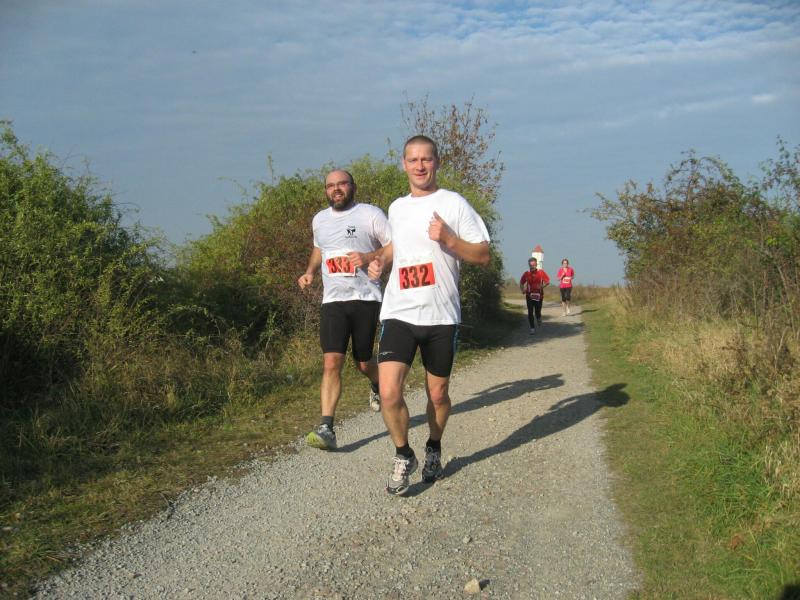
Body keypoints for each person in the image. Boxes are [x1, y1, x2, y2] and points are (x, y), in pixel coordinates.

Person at [368, 135, 491, 496]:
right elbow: (398, 246)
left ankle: (434, 446)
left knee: (437, 395)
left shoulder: (453, 203)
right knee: (388, 392)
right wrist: (380, 260)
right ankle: (403, 454)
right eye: (413, 159)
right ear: (403, 164)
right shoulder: (396, 208)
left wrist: (450, 240)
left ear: (437, 162)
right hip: (399, 311)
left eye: (426, 159)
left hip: (440, 315)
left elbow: (483, 255)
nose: (420, 166)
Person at [298, 169, 390, 451]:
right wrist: (310, 272)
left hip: (365, 298)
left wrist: (369, 257)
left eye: (342, 184)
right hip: (333, 301)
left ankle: (377, 383)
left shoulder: (370, 214)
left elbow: (392, 246)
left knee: (363, 362)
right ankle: (327, 427)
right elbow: (319, 249)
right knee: (331, 362)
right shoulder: (319, 219)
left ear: (353, 186)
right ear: (326, 190)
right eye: (330, 186)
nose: (336, 189)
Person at [519, 257, 550, 334]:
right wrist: (522, 290)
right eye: (531, 265)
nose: (532, 267)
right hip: (529, 295)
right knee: (530, 312)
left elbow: (547, 282)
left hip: (539, 295)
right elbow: (521, 282)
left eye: (534, 265)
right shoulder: (526, 274)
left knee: (537, 311)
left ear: (536, 264)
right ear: (529, 265)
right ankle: (532, 328)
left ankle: (538, 318)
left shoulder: (541, 272)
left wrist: (542, 286)